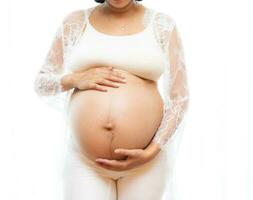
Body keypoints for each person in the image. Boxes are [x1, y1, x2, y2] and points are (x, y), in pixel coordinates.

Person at [33, 0, 190, 199]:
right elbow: (41, 82)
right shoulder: (76, 22)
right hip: (85, 163)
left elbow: (180, 97)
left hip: (144, 165)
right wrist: (75, 79)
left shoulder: (162, 25)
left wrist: (152, 151)